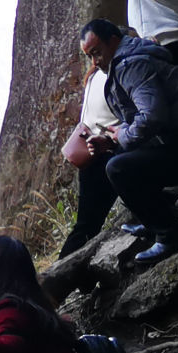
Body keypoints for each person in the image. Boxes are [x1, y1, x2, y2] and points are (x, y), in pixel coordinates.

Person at [80, 18, 178, 262]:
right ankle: (155, 219)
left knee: (118, 168)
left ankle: (170, 235)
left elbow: (153, 117)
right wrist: (114, 141)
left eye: (97, 52)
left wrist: (123, 135)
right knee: (119, 156)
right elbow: (144, 118)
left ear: (113, 41)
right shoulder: (129, 59)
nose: (95, 61)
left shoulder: (130, 65)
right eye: (90, 55)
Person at [57, 64, 122, 257]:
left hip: (88, 152)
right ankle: (58, 278)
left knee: (85, 226)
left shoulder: (93, 75)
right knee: (87, 228)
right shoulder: (115, 75)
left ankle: (60, 276)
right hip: (103, 152)